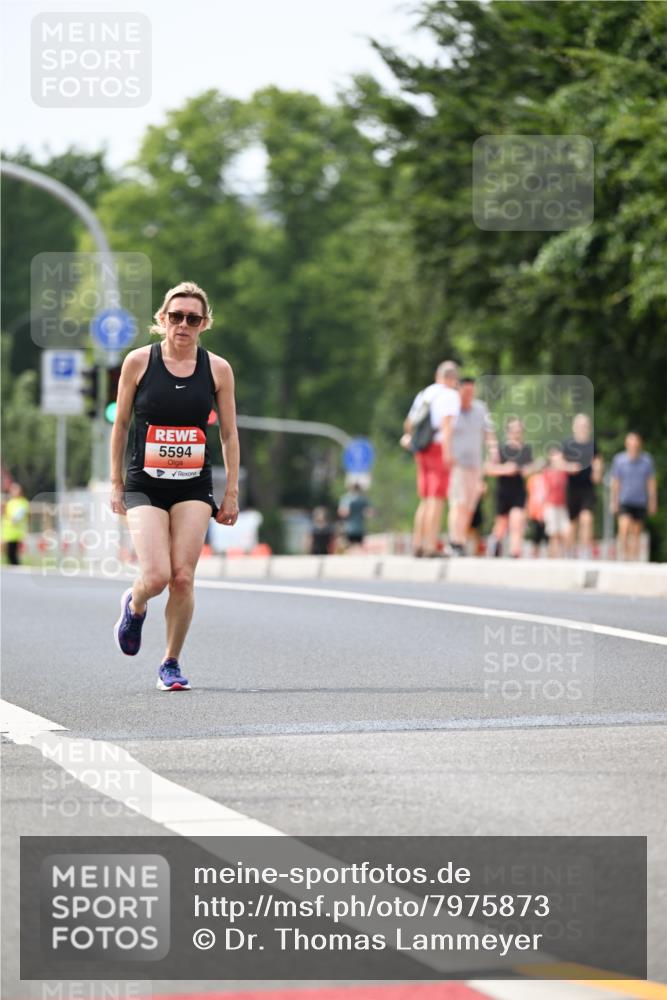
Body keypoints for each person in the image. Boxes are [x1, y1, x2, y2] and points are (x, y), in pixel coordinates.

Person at [110, 281, 239, 691]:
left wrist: (231, 490)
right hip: (145, 484)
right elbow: (121, 425)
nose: (184, 324)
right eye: (176, 316)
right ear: (162, 319)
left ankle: (170, 662)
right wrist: (115, 483)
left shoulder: (217, 369)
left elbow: (230, 435)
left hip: (193, 484)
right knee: (157, 575)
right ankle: (135, 604)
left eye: (193, 318)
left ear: (204, 324)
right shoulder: (138, 362)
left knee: (183, 577)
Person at [403, 361, 460, 557]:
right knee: (437, 498)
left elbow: (409, 423)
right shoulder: (450, 395)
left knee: (425, 498)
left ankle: (417, 543)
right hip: (437, 448)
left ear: (438, 376)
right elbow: (447, 425)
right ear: (453, 378)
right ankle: (430, 545)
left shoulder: (425, 393)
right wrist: (448, 453)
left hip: (421, 449)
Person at [447, 377, 497, 555]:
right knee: (458, 503)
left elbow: (489, 433)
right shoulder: (451, 410)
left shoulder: (481, 409)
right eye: (465, 392)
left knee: (469, 506)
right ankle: (455, 541)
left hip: (475, 466)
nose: (468, 396)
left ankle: (460, 538)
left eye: (471, 392)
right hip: (457, 465)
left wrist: (493, 452)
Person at [486, 417, 536, 558]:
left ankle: (515, 552)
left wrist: (529, 470)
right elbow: (489, 469)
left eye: (519, 431)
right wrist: (505, 469)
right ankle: (494, 547)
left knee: (517, 520)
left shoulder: (526, 450)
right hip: (503, 490)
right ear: (508, 432)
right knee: (501, 525)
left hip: (519, 490)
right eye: (514, 431)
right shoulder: (501, 449)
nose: (517, 434)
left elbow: (531, 467)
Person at [610, 432, 657, 561]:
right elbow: (616, 482)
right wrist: (614, 501)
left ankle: (633, 558)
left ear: (640, 444)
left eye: (636, 442)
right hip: (624, 500)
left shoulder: (647, 461)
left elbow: (651, 483)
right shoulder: (619, 460)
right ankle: (623, 556)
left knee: (636, 532)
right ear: (626, 444)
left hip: (640, 501)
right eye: (631, 442)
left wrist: (653, 501)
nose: (634, 445)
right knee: (624, 528)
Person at [562, 413, 603, 558]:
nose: (583, 428)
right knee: (572, 523)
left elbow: (598, 460)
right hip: (572, 487)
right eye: (580, 425)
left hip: (588, 487)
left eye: (585, 425)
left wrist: (598, 472)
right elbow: (558, 462)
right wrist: (568, 466)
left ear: (589, 428)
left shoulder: (592, 444)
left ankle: (585, 553)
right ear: (574, 427)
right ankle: (568, 554)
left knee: (587, 518)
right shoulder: (567, 444)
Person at [543, 446, 570, 558]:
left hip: (562, 505)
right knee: (553, 534)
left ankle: (563, 556)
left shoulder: (564, 472)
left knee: (565, 532)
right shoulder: (547, 472)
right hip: (551, 505)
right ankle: (553, 557)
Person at [337, 484, 373, 551]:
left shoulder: (363, 499)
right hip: (349, 528)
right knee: (348, 547)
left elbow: (369, 512)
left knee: (358, 548)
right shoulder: (346, 498)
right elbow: (342, 513)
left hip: (359, 528)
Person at [2, 481, 30, 565]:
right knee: (9, 555)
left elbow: (18, 517)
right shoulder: (10, 502)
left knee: (13, 554)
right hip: (8, 533)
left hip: (17, 533)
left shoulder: (23, 502)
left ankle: (18, 570)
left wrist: (13, 519)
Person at [525, 469, 548, 558]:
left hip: (543, 512)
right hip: (534, 511)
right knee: (535, 534)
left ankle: (540, 553)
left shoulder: (546, 478)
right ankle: (535, 554)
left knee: (544, 534)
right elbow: (529, 495)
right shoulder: (532, 479)